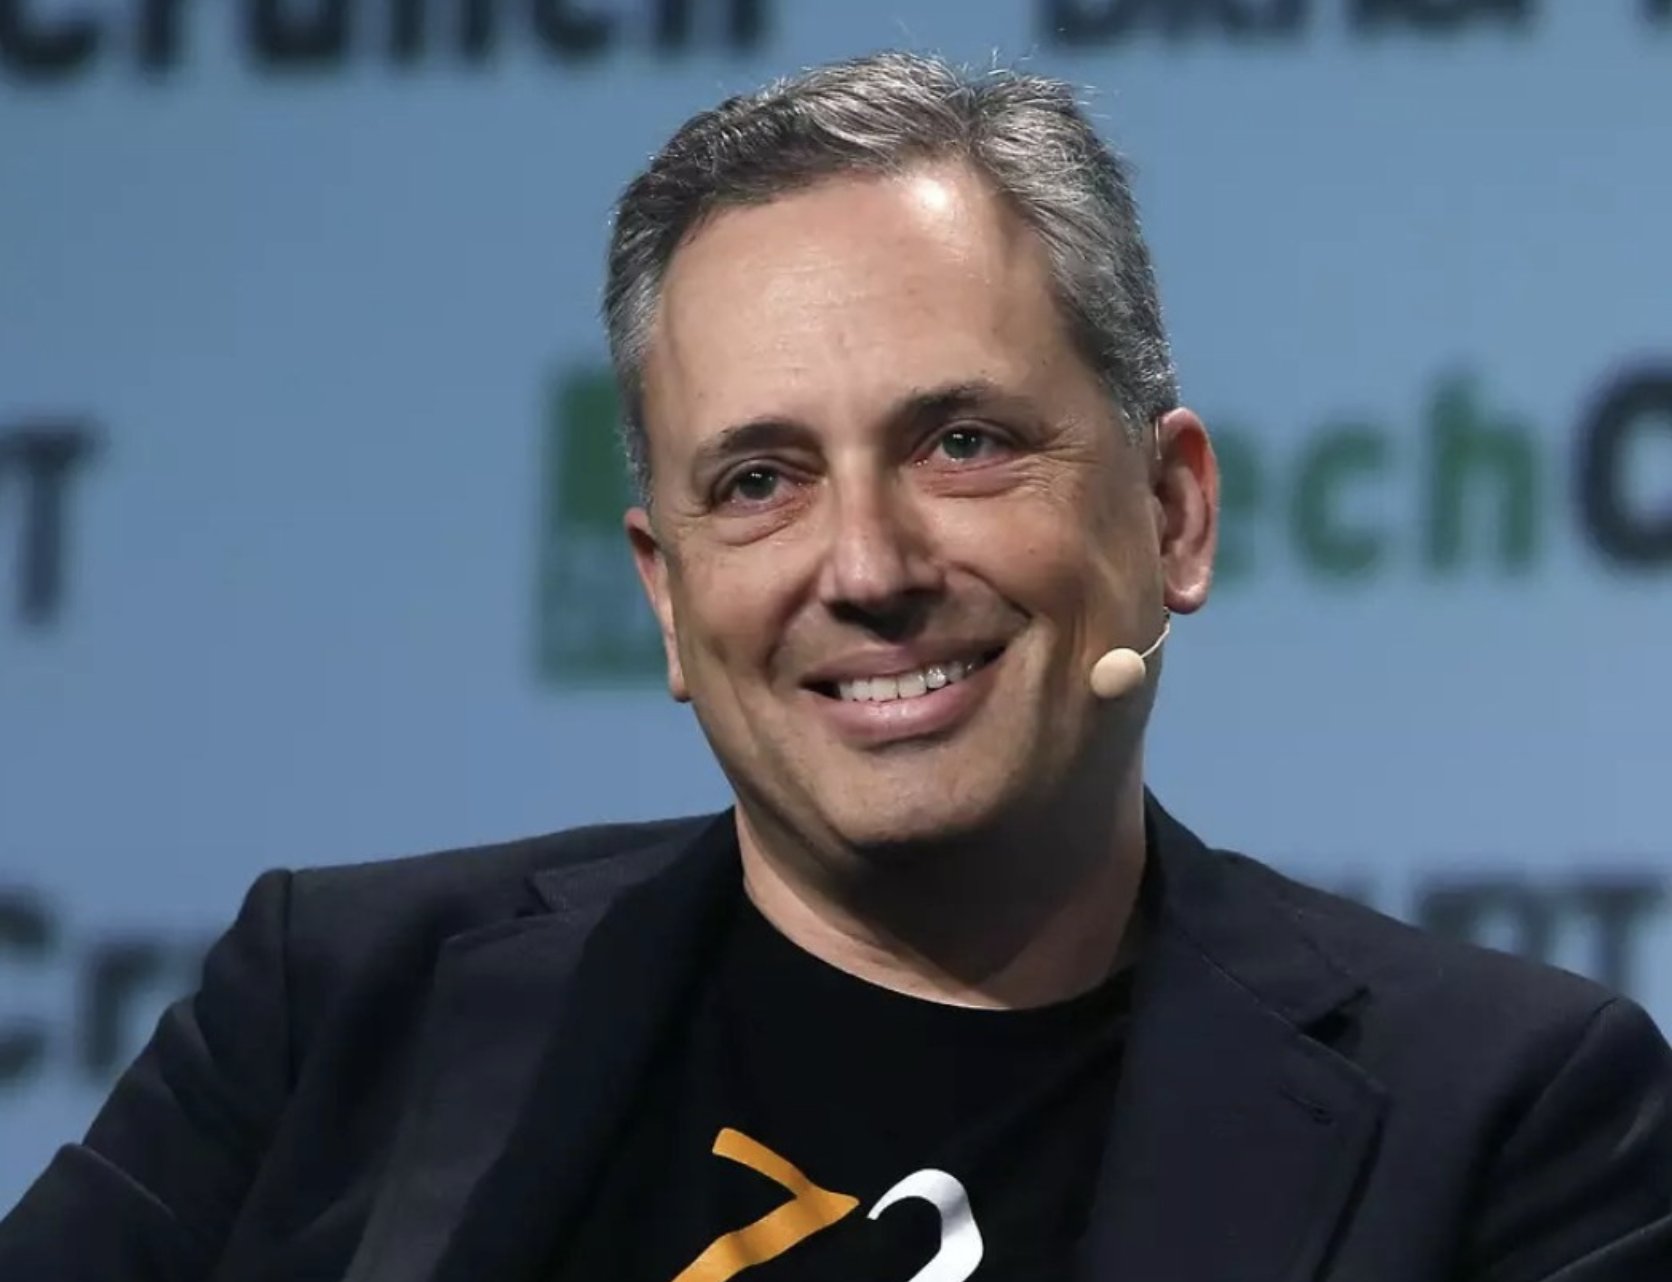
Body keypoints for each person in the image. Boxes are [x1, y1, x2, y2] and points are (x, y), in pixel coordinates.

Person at [3, 50, 1669, 1282]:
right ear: (668, 597)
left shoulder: (1509, 1119)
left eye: (962, 442)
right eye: (758, 480)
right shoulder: (334, 1011)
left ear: (1172, 510)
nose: (866, 567)